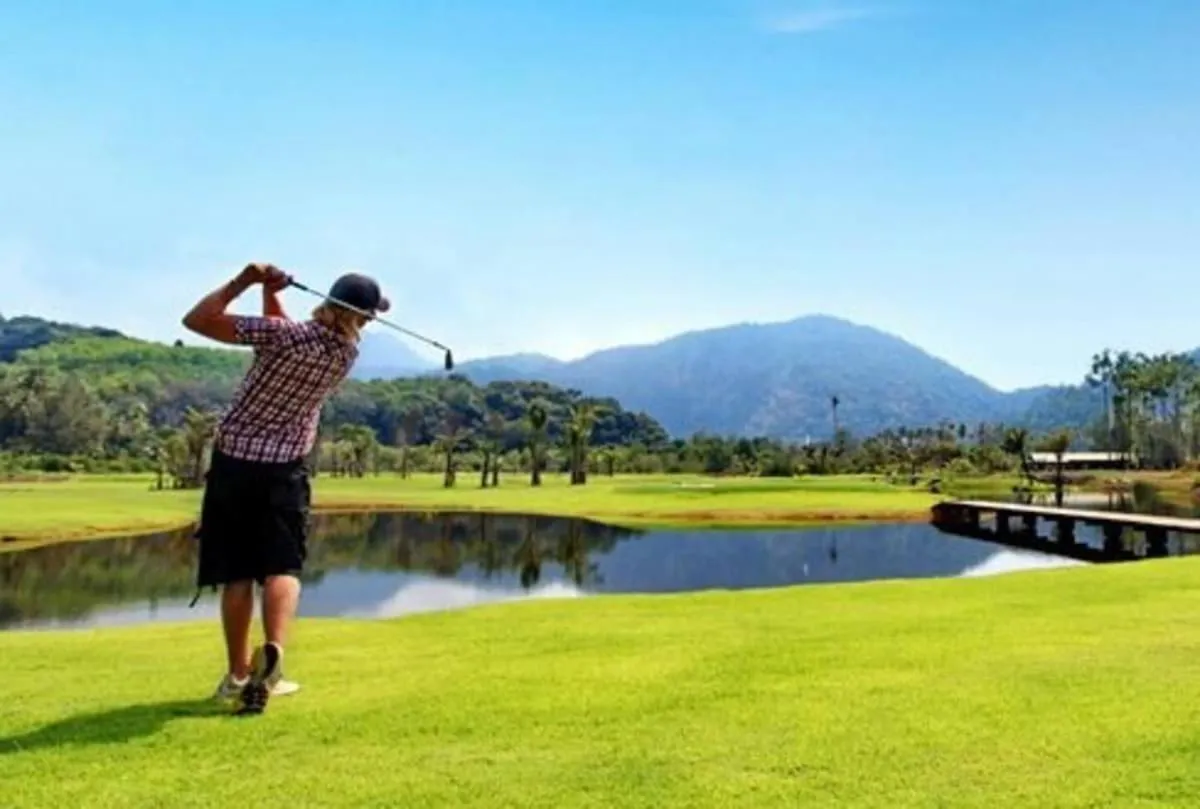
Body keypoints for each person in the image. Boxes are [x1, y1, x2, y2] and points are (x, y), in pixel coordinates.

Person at [181, 262, 389, 715]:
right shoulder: (344, 355)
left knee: (237, 573)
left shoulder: (282, 337)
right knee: (282, 567)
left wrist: (247, 281)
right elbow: (282, 331)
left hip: (234, 463)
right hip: (286, 471)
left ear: (329, 300)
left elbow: (197, 320)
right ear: (363, 318)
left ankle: (238, 675)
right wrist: (272, 292)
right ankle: (272, 655)